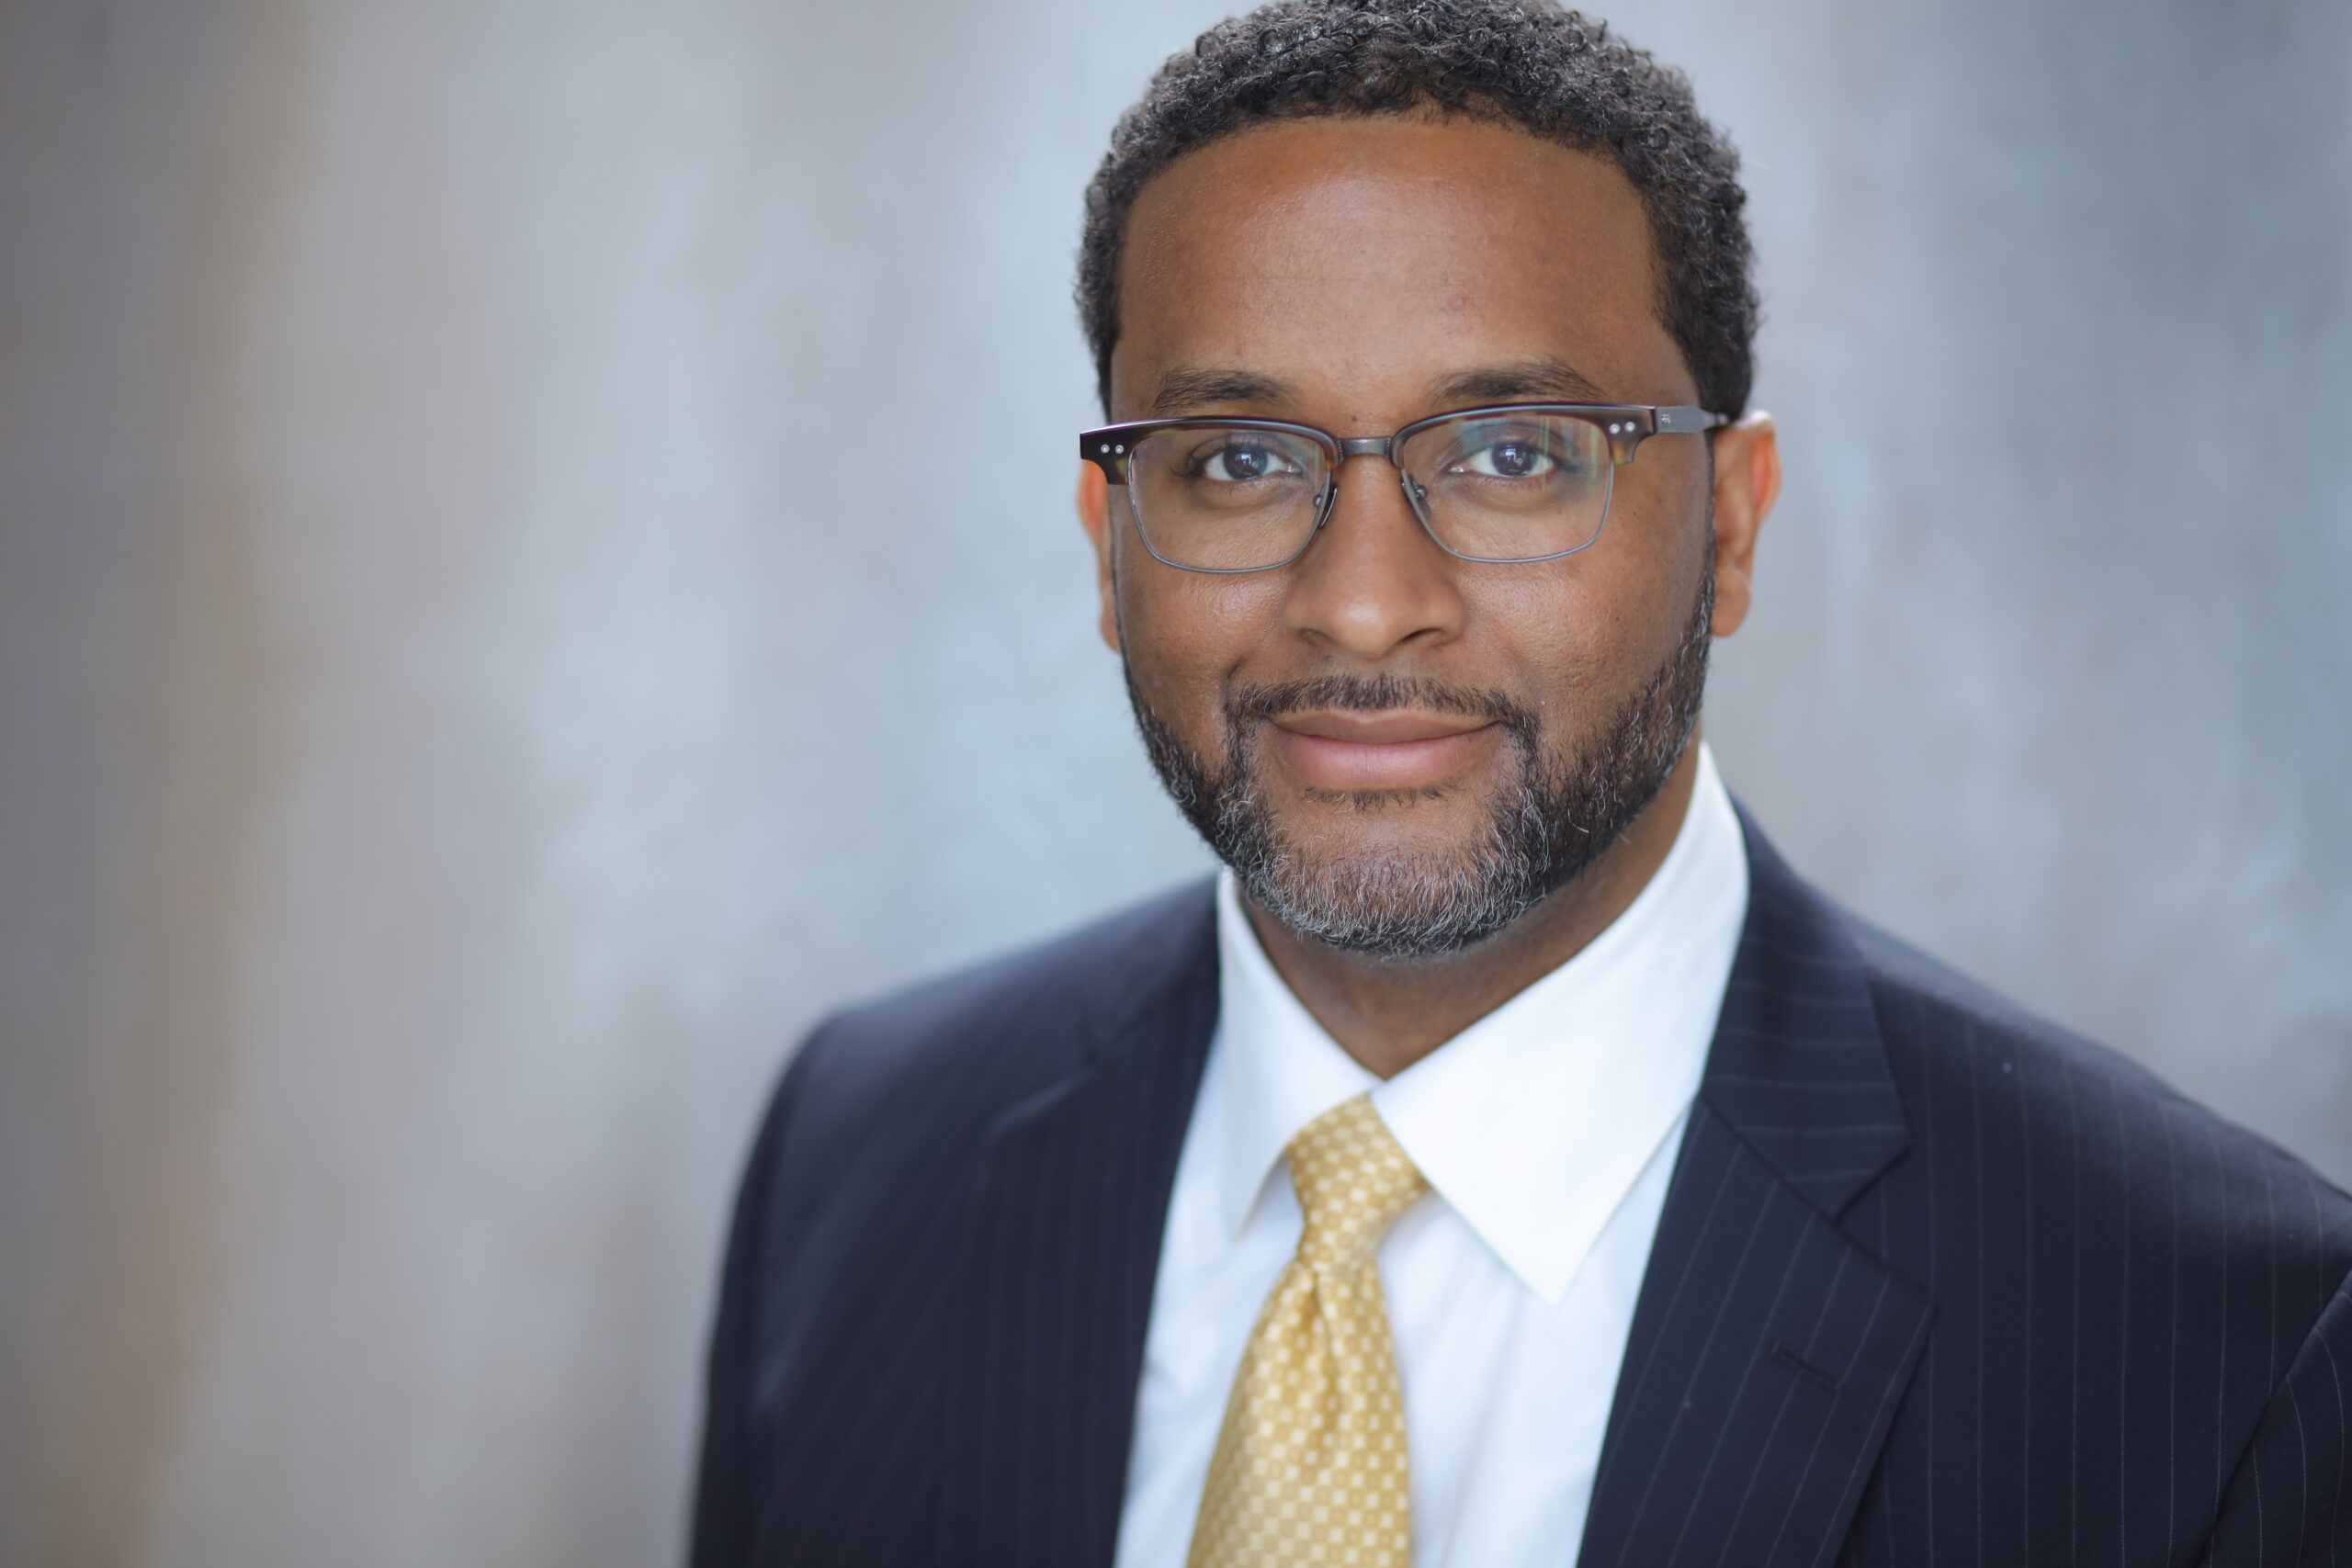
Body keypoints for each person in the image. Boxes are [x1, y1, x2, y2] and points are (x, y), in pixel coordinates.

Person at [687, 3, 2352, 1563]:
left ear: (1733, 524)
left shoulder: (2216, 1342)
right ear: (1109, 547)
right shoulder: (862, 1156)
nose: (1360, 600)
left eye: (1509, 456)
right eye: (1239, 461)